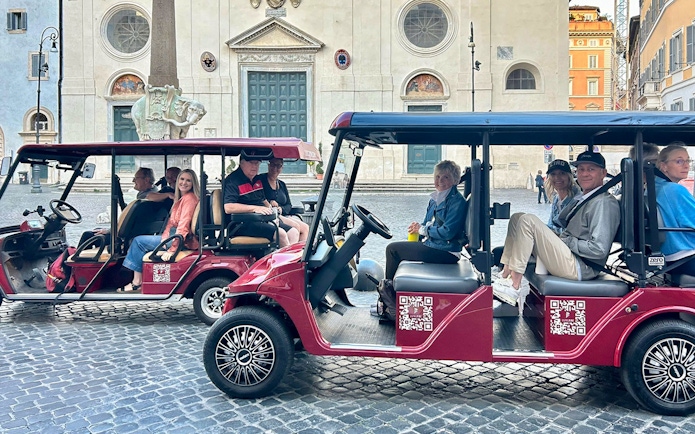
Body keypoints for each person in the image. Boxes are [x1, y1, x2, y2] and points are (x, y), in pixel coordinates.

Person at [494, 151, 620, 308]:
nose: (585, 174)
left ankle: (514, 286)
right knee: (517, 218)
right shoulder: (586, 198)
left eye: (591, 169)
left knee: (528, 221)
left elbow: (598, 250)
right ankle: (505, 274)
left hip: (582, 266)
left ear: (603, 173)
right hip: (571, 256)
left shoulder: (602, 203)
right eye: (581, 169)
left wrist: (566, 240)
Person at [384, 160, 468, 280]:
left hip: (447, 251)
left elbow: (447, 232)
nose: (440, 181)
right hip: (434, 244)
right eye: (437, 177)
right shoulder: (434, 199)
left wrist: (422, 230)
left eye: (446, 177)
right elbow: (426, 224)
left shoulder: (457, 202)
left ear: (455, 180)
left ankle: (388, 292)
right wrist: (417, 228)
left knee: (392, 250)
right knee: (400, 247)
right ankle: (396, 288)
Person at [119, 169, 201, 292]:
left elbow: (183, 226)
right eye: (182, 179)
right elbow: (171, 223)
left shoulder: (189, 199)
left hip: (180, 240)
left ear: (193, 183)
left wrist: (173, 248)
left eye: (188, 180)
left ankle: (137, 282)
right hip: (172, 237)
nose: (184, 183)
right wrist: (164, 237)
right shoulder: (181, 199)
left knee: (138, 242)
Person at [77, 167, 160, 246]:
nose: (133, 180)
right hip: (134, 234)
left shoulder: (145, 200)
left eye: (136, 178)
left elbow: (127, 224)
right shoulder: (153, 194)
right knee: (96, 230)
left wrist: (109, 231)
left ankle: (75, 259)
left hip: (126, 238)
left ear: (146, 180)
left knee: (87, 235)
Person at [223, 151, 291, 247]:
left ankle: (293, 258)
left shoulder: (256, 179)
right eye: (251, 163)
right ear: (241, 162)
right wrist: (255, 208)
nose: (255, 166)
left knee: (293, 232)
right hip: (242, 224)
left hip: (260, 220)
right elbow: (228, 207)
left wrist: (273, 214)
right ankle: (286, 261)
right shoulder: (233, 181)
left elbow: (263, 200)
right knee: (281, 234)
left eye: (257, 163)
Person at [654, 143, 695, 275]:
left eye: (687, 160)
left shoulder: (654, 186)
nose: (686, 165)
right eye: (679, 161)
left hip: (671, 256)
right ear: (663, 166)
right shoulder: (674, 189)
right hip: (686, 254)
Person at [259, 158, 309, 243]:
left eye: (278, 166)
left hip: (283, 214)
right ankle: (291, 252)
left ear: (282, 168)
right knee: (295, 226)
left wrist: (281, 209)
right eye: (273, 165)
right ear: (268, 165)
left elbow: (289, 205)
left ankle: (301, 252)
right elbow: (258, 198)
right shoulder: (261, 180)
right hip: (270, 215)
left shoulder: (282, 184)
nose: (275, 169)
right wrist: (270, 202)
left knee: (305, 228)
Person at [545, 159, 581, 234]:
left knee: (528, 220)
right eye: (553, 174)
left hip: (565, 242)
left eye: (562, 173)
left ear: (569, 176)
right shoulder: (556, 199)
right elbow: (550, 225)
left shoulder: (576, 199)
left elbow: (570, 231)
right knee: (518, 217)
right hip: (554, 238)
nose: (557, 177)